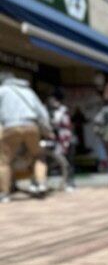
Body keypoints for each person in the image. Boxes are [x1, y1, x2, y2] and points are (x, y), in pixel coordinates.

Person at [0, 72, 52, 202]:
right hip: (31, 126)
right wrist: (48, 129)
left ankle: (5, 194)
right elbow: (42, 112)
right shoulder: (29, 92)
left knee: (4, 161)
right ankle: (41, 184)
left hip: (10, 128)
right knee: (38, 156)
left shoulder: (2, 91)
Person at [47, 89, 76, 191]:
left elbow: (58, 123)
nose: (50, 101)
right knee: (63, 162)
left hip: (66, 140)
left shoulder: (63, 110)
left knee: (68, 162)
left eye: (52, 99)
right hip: (61, 140)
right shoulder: (55, 111)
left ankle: (70, 183)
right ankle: (66, 183)